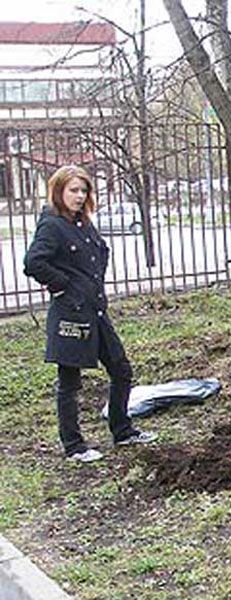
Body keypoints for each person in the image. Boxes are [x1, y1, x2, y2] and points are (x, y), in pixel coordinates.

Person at [23, 165, 157, 464]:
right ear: (59, 191)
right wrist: (64, 286)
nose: (79, 196)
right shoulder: (52, 225)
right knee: (69, 382)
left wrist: (90, 286)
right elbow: (33, 262)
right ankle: (74, 446)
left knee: (121, 368)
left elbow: (101, 253)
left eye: (83, 191)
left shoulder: (83, 223)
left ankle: (122, 430)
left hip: (95, 311)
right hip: (71, 314)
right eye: (73, 190)